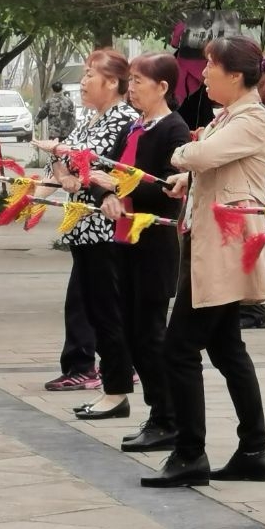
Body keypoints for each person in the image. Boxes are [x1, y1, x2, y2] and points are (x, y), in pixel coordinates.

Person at [141, 36, 265, 487]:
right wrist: (185, 177)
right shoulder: (232, 116)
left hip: (224, 248)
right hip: (211, 243)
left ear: (235, 75)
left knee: (179, 349)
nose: (204, 73)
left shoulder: (251, 118)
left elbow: (204, 154)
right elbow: (212, 167)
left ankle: (191, 452)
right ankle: (254, 449)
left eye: (211, 66)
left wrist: (182, 158)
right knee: (227, 349)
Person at [95, 53, 191, 452]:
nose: (131, 87)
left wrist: (118, 188)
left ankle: (167, 418)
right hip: (124, 238)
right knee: (132, 332)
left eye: (138, 81)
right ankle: (158, 414)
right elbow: (107, 171)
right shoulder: (135, 126)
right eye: (130, 80)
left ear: (163, 87)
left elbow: (169, 190)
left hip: (154, 242)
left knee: (149, 334)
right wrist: (104, 192)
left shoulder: (174, 129)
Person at [35, 50, 138, 404]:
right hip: (82, 226)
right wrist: (54, 175)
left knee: (97, 303)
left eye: (91, 74)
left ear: (112, 83)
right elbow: (68, 167)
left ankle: (98, 369)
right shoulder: (91, 119)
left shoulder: (123, 120)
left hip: (104, 227)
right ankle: (98, 366)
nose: (83, 81)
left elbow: (98, 173)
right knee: (86, 301)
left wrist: (67, 168)